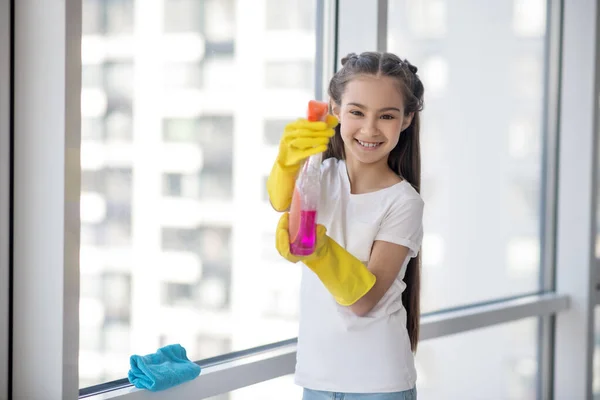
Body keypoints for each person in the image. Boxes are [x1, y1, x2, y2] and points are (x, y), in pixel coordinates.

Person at [267, 51, 425, 400]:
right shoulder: (319, 176)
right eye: (357, 112)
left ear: (407, 119)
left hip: (379, 384)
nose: (369, 129)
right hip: (317, 377)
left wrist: (316, 250)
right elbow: (280, 202)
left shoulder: (403, 202)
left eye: (386, 116)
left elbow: (364, 300)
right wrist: (286, 163)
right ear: (335, 109)